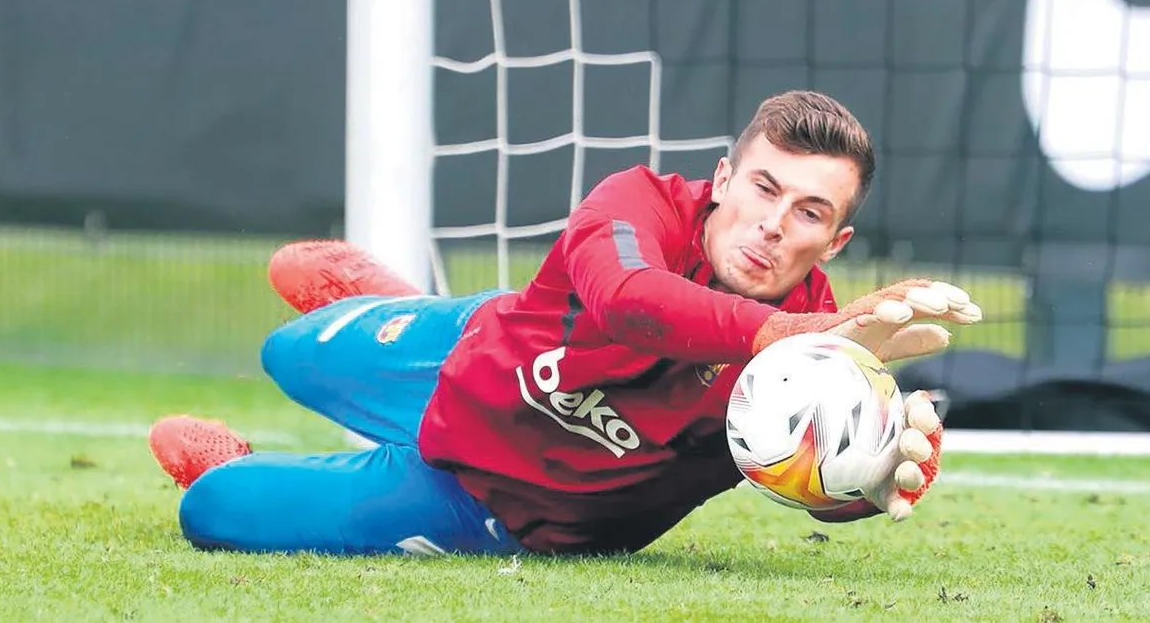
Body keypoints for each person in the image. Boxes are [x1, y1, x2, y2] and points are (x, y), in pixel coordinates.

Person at [149, 90, 982, 556]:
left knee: (213, 509)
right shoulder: (641, 201)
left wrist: (869, 480)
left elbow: (804, 476)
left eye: (808, 211)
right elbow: (625, 296)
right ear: (724, 178)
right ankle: (380, 299)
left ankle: (251, 458)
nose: (773, 224)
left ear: (834, 242)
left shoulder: (824, 360)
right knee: (287, 351)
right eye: (764, 188)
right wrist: (779, 333)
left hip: (491, 504)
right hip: (464, 355)